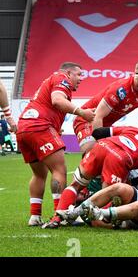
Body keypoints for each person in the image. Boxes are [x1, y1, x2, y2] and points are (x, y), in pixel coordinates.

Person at [43, 126, 138, 228]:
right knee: (107, 195)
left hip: (102, 146)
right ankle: (94, 220)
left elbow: (99, 132)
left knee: (75, 186)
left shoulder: (135, 129)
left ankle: (57, 218)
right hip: (119, 158)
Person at [16, 62, 95, 226]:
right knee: (59, 170)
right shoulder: (61, 78)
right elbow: (57, 101)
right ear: (68, 73)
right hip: (39, 126)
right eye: (79, 74)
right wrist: (82, 112)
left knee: (39, 174)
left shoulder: (51, 81)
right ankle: (61, 214)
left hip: (24, 127)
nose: (81, 78)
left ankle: (34, 216)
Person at [73, 60, 138, 154]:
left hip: (106, 126)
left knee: (119, 153)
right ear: (135, 75)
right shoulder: (121, 89)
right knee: (93, 151)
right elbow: (98, 116)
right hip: (86, 120)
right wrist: (100, 144)